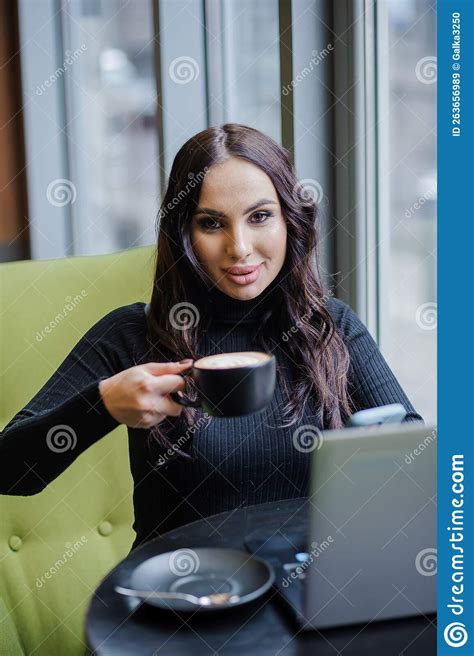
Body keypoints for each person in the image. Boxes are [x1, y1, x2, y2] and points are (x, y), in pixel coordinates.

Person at [0, 123, 423, 551]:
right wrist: (104, 404)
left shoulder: (330, 328)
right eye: (211, 223)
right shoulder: (130, 335)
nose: (239, 247)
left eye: (260, 217)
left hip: (309, 597)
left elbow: (418, 467)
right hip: (178, 601)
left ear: (289, 221)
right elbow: (10, 471)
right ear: (185, 234)